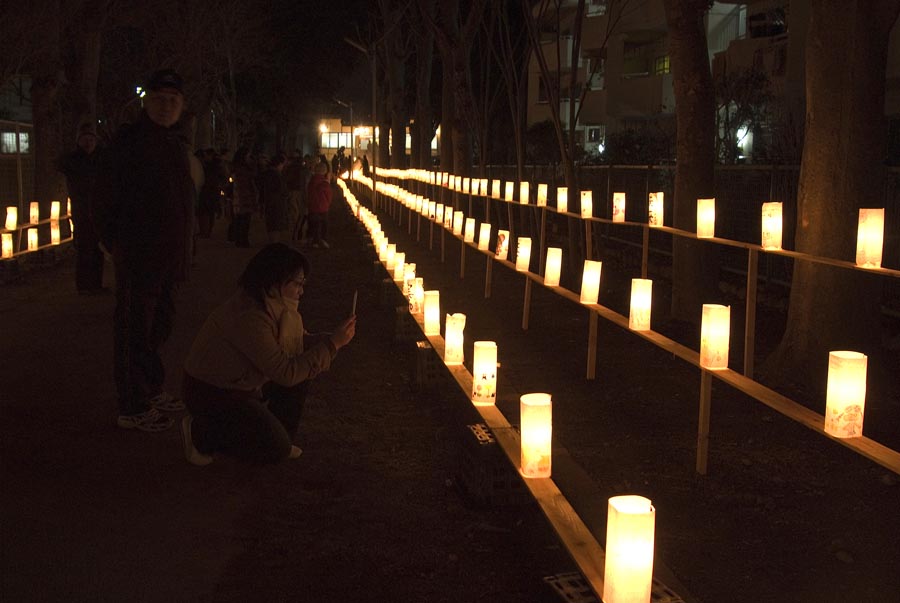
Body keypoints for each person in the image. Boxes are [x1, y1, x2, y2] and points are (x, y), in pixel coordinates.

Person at [180, 243, 356, 464]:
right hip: (214, 393)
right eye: (298, 284)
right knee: (274, 443)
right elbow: (285, 372)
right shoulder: (250, 317)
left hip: (243, 383)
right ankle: (201, 432)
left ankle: (275, 437)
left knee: (302, 372)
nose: (302, 291)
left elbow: (294, 347)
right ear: (274, 283)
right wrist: (331, 345)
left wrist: (327, 340)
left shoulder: (275, 308)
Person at [94, 68, 194, 432]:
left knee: (158, 327)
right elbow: (104, 197)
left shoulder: (173, 143)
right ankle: (132, 404)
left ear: (181, 106)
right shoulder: (130, 143)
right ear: (146, 102)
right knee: (134, 329)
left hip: (169, 258)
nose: (166, 107)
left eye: (173, 101)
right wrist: (113, 242)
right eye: (159, 100)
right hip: (139, 256)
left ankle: (150, 388)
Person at [58, 122, 106, 293]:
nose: (88, 143)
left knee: (98, 249)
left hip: (99, 210)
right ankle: (84, 285)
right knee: (84, 248)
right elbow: (61, 164)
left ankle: (96, 284)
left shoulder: (101, 159)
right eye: (85, 139)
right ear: (79, 141)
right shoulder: (73, 161)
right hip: (81, 210)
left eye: (91, 139)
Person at [231, 147, 258, 248]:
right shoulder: (243, 168)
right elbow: (252, 175)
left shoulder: (236, 167)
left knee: (241, 218)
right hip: (244, 195)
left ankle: (239, 239)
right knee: (244, 219)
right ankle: (242, 240)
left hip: (239, 195)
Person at [260, 153, 289, 242]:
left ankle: (272, 240)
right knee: (276, 223)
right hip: (276, 202)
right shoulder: (275, 174)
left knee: (271, 223)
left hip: (269, 201)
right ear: (279, 164)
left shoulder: (267, 173)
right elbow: (280, 189)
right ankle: (274, 242)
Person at [306, 161, 332, 248]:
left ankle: (314, 241)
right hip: (323, 208)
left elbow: (309, 194)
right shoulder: (324, 183)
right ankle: (323, 240)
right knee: (324, 224)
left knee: (314, 225)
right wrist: (327, 204)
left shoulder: (311, 181)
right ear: (325, 171)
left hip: (313, 207)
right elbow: (329, 195)